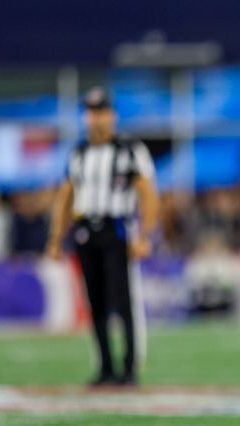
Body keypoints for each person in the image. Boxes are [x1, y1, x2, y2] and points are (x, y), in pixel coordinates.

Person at [46, 87, 159, 386]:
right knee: (94, 301)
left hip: (117, 228)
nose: (96, 119)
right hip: (85, 231)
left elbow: (147, 193)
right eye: (91, 113)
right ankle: (106, 367)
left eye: (101, 113)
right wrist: (56, 237)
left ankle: (129, 367)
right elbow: (66, 196)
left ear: (112, 116)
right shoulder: (79, 153)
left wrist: (145, 234)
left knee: (123, 302)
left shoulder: (130, 150)